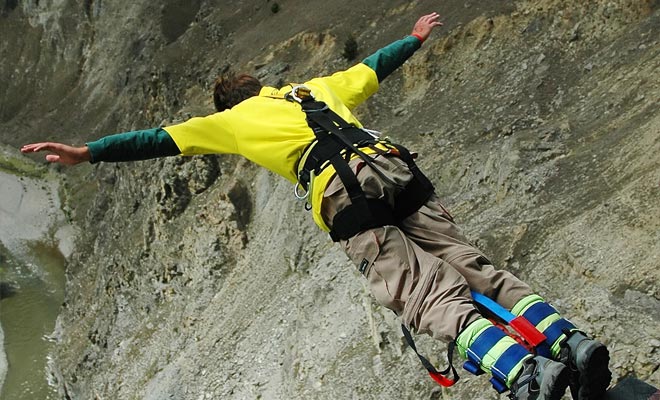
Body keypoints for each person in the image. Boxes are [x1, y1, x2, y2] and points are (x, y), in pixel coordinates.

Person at [21, 12, 611, 400]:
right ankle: (569, 341)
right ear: (261, 83)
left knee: (427, 293)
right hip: (393, 167)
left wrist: (85, 152)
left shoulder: (230, 121)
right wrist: (415, 38)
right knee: (474, 266)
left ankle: (528, 375)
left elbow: (157, 139)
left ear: (229, 102)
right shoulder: (316, 88)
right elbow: (373, 67)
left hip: (341, 191)